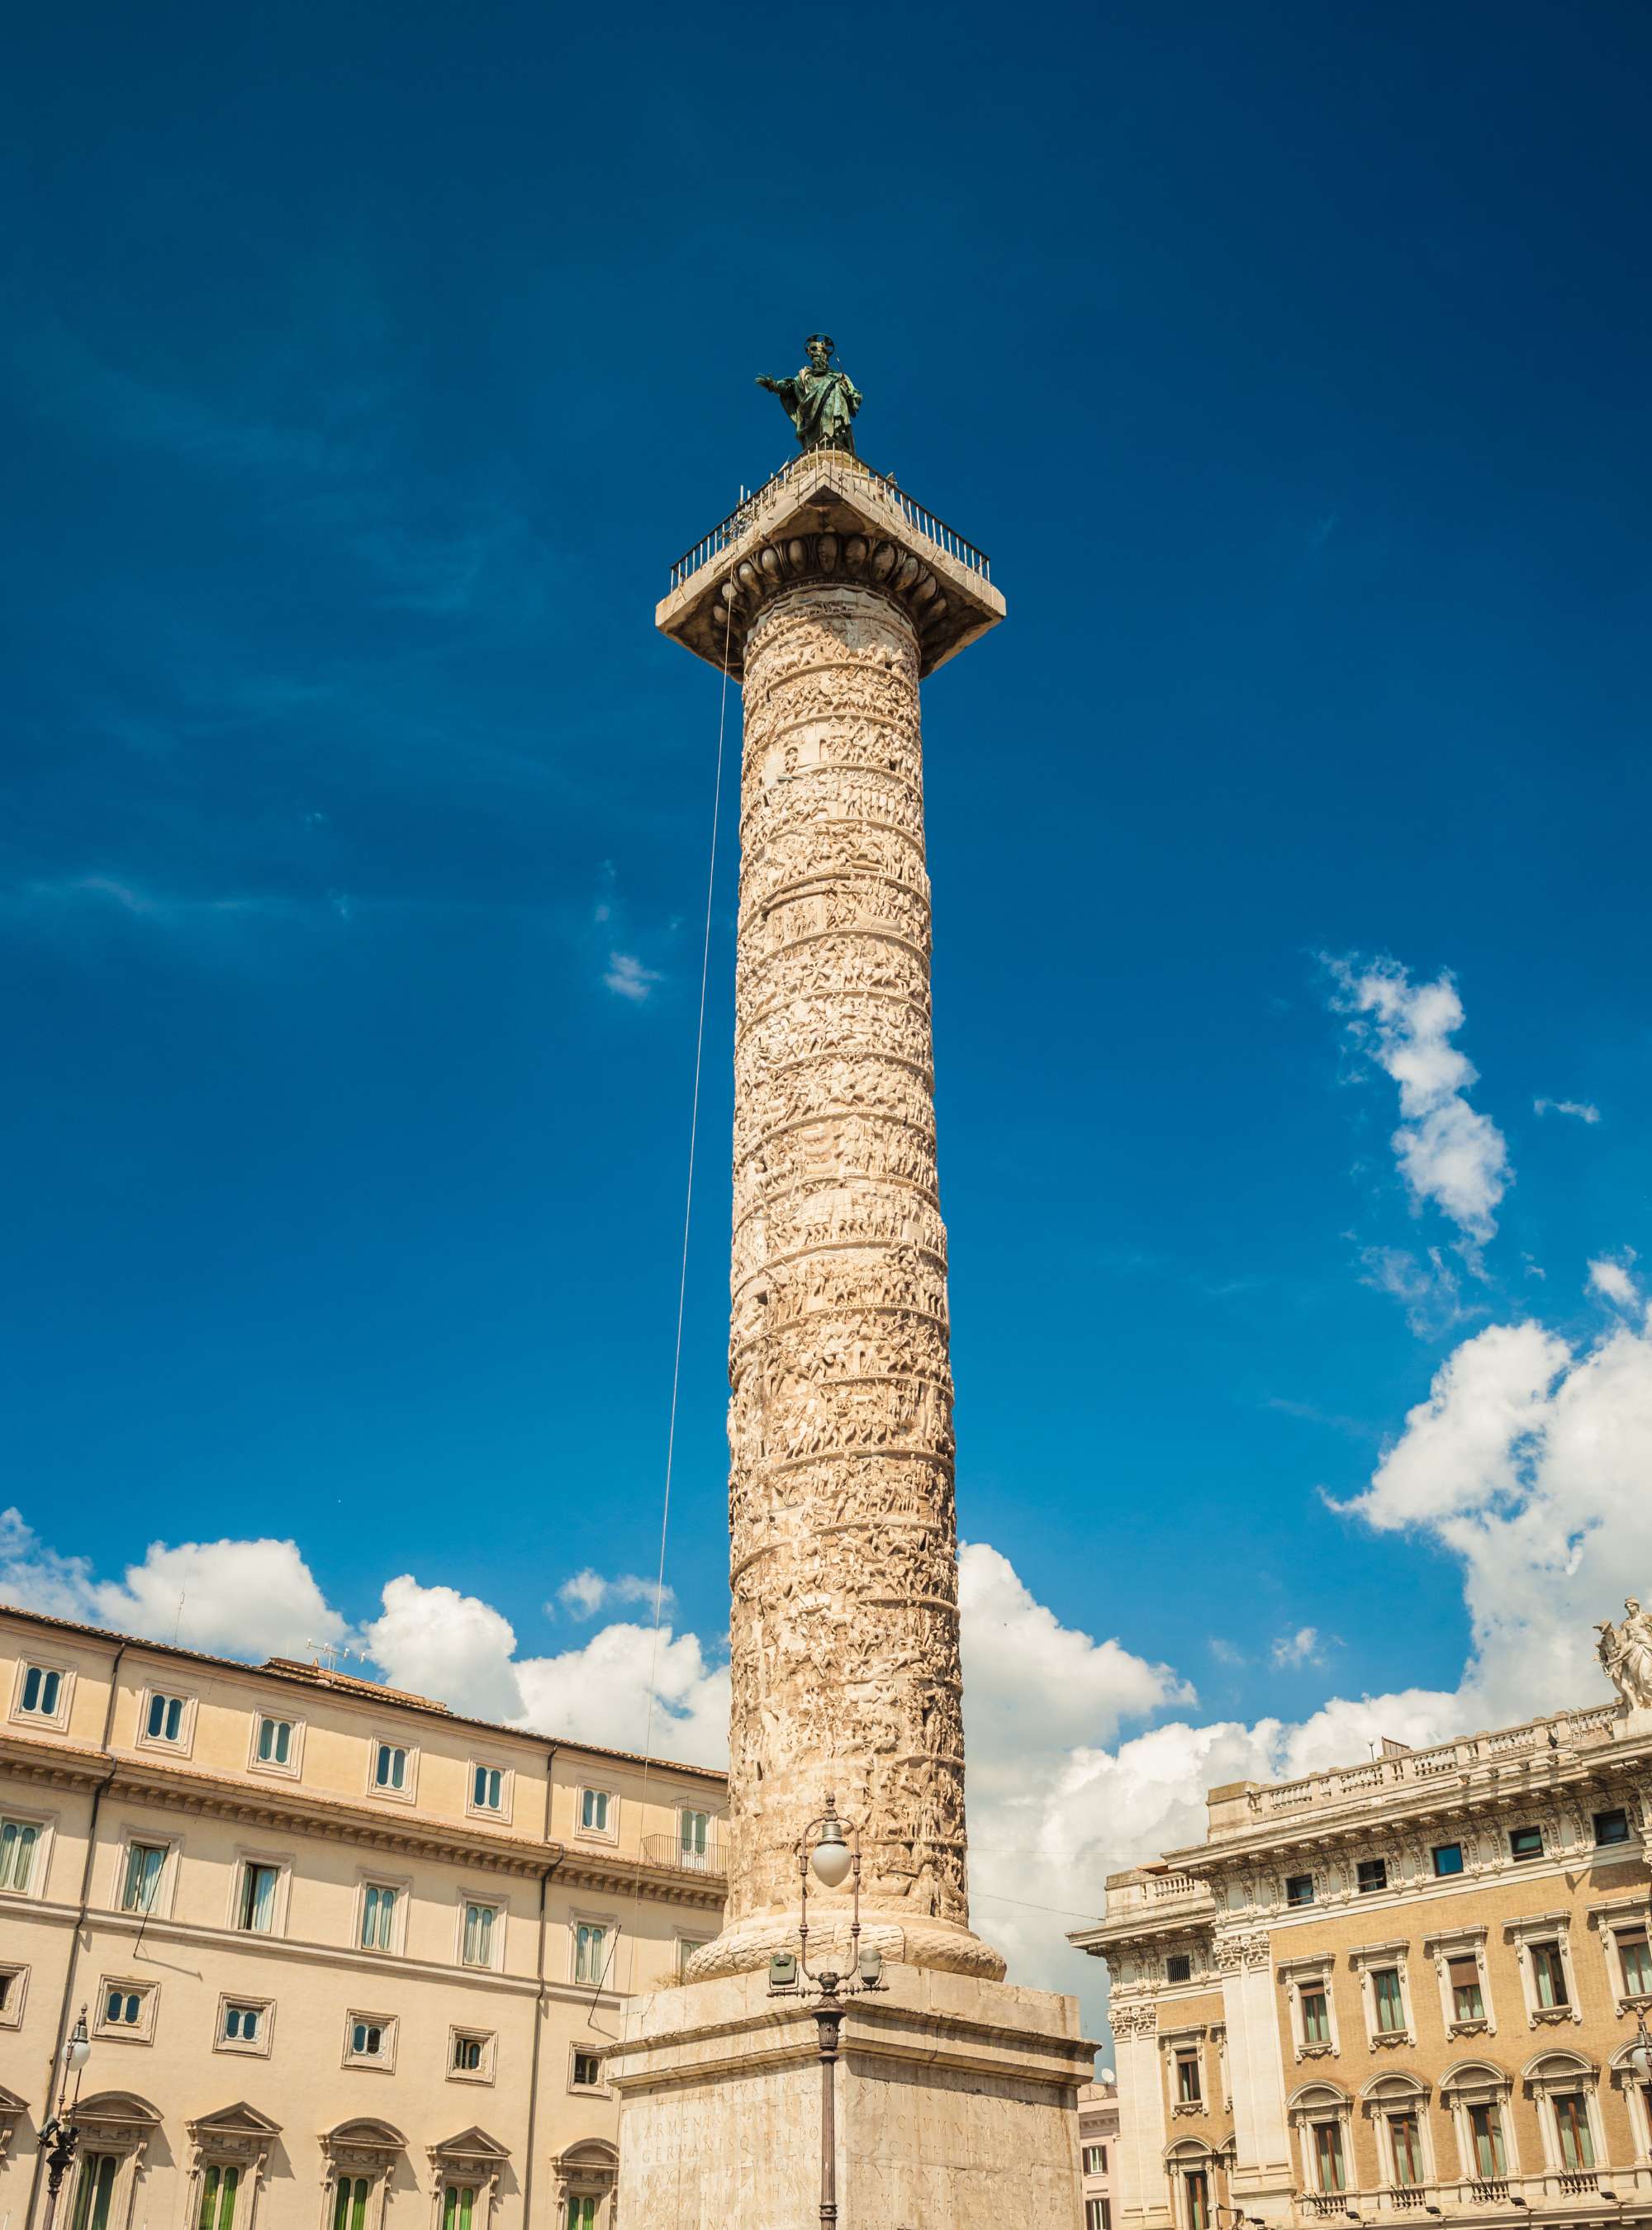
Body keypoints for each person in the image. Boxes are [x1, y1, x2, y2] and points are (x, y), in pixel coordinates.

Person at [757, 334, 862, 455]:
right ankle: (821, 452)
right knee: (818, 437)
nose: (816, 358)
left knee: (832, 424)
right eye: (814, 357)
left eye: (819, 356)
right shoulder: (804, 377)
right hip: (812, 414)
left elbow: (855, 393)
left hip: (834, 407)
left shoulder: (838, 377)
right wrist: (773, 385)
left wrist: (854, 399)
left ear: (825, 357)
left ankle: (836, 451)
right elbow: (789, 386)